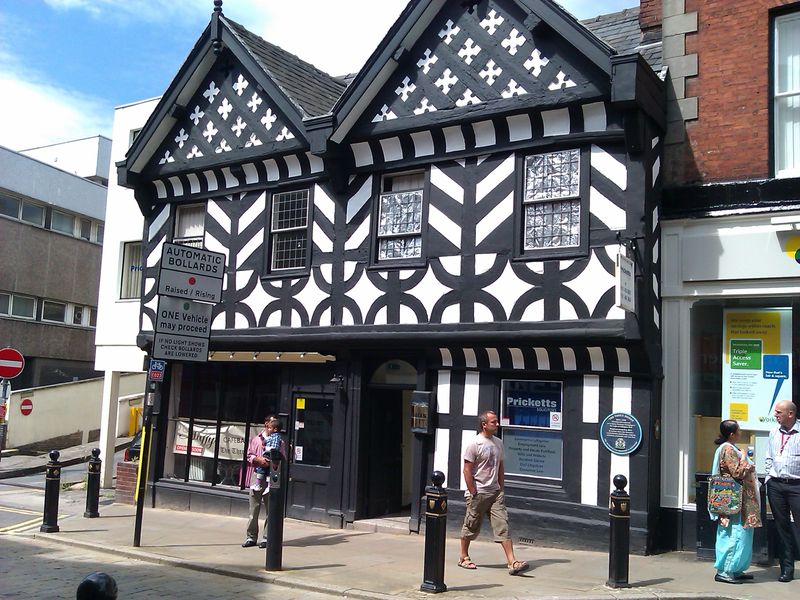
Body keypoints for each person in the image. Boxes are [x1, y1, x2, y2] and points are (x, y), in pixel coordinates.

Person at [458, 410, 528, 576]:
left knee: (503, 526)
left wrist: (501, 489)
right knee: (471, 526)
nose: (497, 424)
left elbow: (500, 467)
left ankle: (512, 562)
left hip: (495, 493)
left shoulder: (498, 443)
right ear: (484, 424)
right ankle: (463, 556)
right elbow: (467, 470)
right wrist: (473, 491)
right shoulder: (474, 444)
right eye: (493, 422)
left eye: (496, 421)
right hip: (478, 493)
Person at [709, 419, 761, 584]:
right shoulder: (728, 449)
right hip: (734, 501)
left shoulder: (731, 448)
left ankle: (737, 569)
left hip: (740, 499)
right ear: (732, 434)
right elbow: (737, 472)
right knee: (734, 533)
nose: (740, 433)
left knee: (742, 533)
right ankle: (726, 570)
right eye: (738, 430)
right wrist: (745, 457)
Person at [765, 400, 800, 582]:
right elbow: (769, 456)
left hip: (797, 485)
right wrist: (770, 477)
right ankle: (787, 569)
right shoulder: (773, 432)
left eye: (779, 412)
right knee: (782, 526)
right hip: (776, 485)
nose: (776, 415)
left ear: (790, 414)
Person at [241, 415, 283, 549]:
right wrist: (257, 459)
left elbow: (282, 457)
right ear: (266, 424)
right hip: (257, 475)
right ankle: (251, 537)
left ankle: (267, 538)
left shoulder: (279, 441)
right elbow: (249, 455)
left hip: (271, 476)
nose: (272, 427)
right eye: (271, 423)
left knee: (271, 509)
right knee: (254, 509)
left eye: (274, 424)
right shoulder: (256, 439)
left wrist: (272, 462)